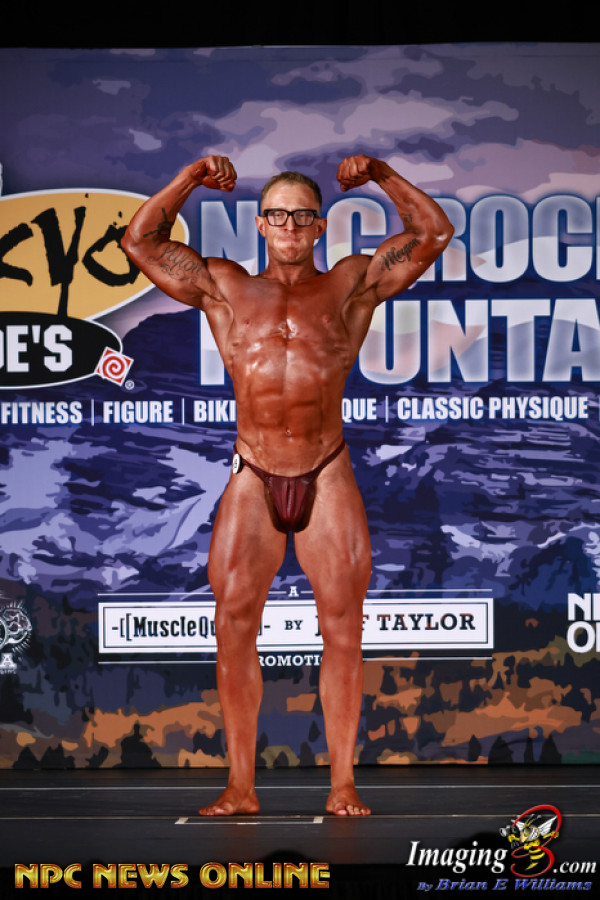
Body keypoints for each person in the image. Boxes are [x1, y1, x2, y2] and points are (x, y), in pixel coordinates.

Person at [122, 154, 453, 816]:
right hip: (253, 471)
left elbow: (432, 234)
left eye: (303, 216)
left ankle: (343, 785)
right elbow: (140, 242)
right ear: (261, 224)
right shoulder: (224, 287)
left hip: (326, 467)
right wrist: (190, 177)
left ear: (320, 226)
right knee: (233, 624)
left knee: (344, 628)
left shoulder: (351, 284)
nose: (291, 226)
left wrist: (381, 173)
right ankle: (240, 788)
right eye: (278, 215)